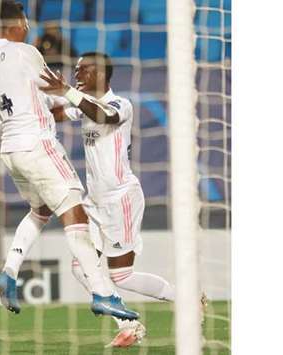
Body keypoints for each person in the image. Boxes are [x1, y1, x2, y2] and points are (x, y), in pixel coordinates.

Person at [0, 0, 138, 321]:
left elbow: (41, 97)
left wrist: (69, 101)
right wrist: (71, 94)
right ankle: (103, 293)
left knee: (40, 211)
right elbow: (55, 89)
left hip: (10, 148)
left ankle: (9, 272)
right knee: (74, 212)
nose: (27, 27)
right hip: (37, 145)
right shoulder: (26, 52)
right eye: (25, 21)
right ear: (17, 23)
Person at [40, 52, 177, 347]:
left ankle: (187, 298)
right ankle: (129, 326)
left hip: (120, 199)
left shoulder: (120, 104)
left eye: (83, 69)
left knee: (121, 276)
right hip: (95, 202)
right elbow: (59, 114)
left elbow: (105, 115)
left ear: (101, 73)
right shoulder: (83, 105)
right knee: (81, 267)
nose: (77, 74)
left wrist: (67, 91)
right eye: (75, 70)